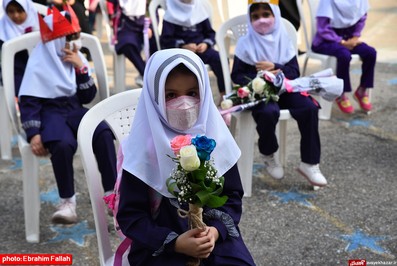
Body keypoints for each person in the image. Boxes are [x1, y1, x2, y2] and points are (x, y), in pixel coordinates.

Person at [116, 48, 256, 265]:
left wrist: (216, 232)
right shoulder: (142, 151)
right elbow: (131, 217)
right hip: (160, 246)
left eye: (192, 93)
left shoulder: (215, 139)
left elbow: (232, 197)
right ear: (154, 99)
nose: (184, 104)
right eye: (170, 95)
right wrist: (175, 243)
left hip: (212, 240)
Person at [18, 6, 117, 224]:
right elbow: (29, 102)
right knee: (61, 144)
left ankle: (112, 193)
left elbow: (88, 96)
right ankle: (67, 201)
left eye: (76, 37)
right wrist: (34, 133)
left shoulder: (76, 59)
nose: (75, 44)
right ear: (55, 41)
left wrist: (81, 69)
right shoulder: (39, 63)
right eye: (69, 38)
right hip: (50, 112)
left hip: (74, 108)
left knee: (102, 132)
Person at [231, 1, 327, 187]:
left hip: (284, 88)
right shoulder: (245, 43)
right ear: (250, 20)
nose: (262, 20)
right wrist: (260, 78)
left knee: (308, 107)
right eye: (256, 16)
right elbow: (237, 74)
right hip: (260, 92)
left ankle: (310, 163)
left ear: (275, 14)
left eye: (266, 14)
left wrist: (276, 67)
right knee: (268, 112)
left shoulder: (284, 39)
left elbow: (294, 72)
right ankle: (268, 153)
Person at [311, 0, 376, 114]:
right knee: (344, 55)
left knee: (370, 53)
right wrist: (341, 42)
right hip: (326, 40)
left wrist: (355, 37)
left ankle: (362, 90)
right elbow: (322, 28)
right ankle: (341, 94)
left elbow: (361, 18)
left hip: (349, 39)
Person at [160, 0, 226, 100]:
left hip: (201, 50)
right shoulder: (170, 14)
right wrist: (183, 46)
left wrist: (205, 44)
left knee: (220, 58)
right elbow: (166, 40)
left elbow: (210, 34)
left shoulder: (199, 10)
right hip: (180, 53)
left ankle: (224, 93)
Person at [113, 0, 157, 86]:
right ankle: (146, 74)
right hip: (126, 26)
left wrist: (150, 27)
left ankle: (152, 72)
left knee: (156, 43)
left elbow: (154, 11)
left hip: (144, 25)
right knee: (127, 45)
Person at [0, 0, 39, 96]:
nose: (16, 15)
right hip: (15, 77)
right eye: (11, 11)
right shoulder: (2, 31)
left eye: (19, 11)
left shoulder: (40, 26)